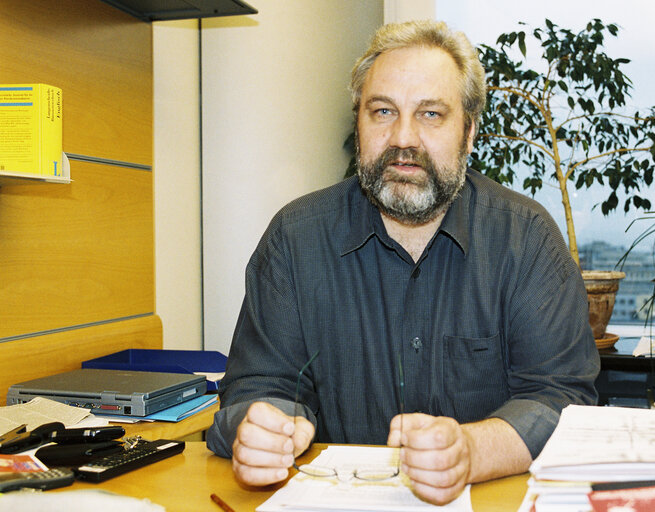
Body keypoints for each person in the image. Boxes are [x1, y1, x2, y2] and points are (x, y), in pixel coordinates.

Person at [206, 19, 599, 505]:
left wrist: (471, 450)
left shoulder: (527, 239)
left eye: (431, 114)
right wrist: (262, 429)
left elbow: (562, 398)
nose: (403, 138)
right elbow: (255, 389)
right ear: (359, 123)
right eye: (383, 111)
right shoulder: (294, 239)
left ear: (469, 131)